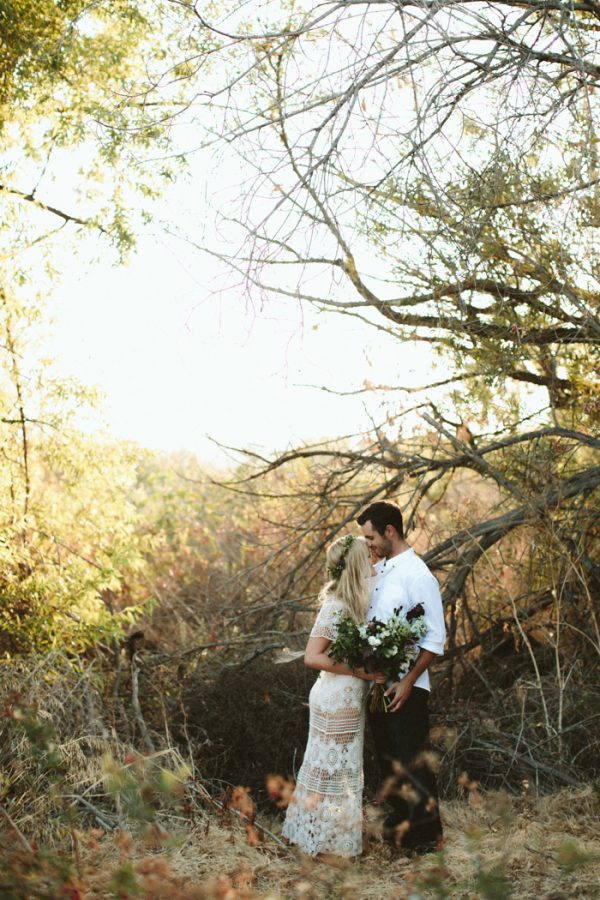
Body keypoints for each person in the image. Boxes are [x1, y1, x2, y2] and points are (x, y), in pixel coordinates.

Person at [282, 534, 385, 857]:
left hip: (348, 696)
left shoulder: (356, 602)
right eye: (366, 555)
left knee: (339, 769)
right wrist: (358, 671)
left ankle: (322, 841)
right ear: (355, 564)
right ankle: (322, 846)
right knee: (332, 770)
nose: (372, 558)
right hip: (336, 697)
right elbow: (312, 656)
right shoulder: (336, 606)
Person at [357, 501, 446, 855]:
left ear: (390, 531)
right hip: (379, 685)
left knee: (413, 763)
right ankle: (401, 834)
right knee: (389, 762)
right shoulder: (380, 571)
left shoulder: (418, 575)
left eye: (371, 537)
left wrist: (408, 682)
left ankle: (426, 839)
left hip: (407, 687)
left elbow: (435, 639)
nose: (368, 544)